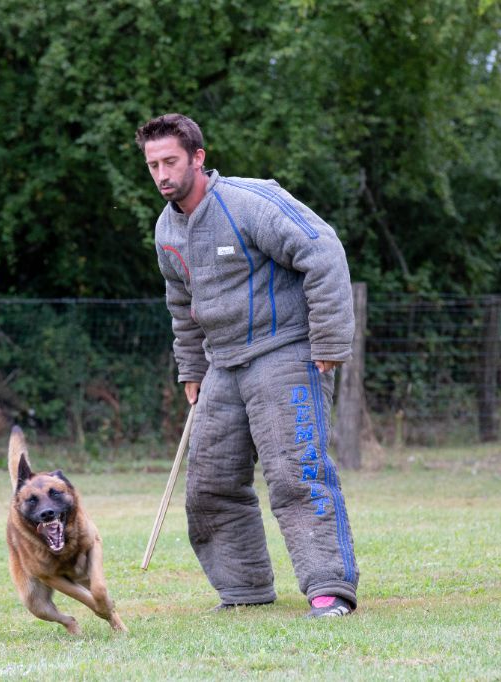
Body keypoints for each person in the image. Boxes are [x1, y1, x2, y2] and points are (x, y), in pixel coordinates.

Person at [135, 113, 359, 618]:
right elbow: (180, 305)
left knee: (295, 475)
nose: (162, 174)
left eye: (170, 161)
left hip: (285, 352)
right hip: (221, 366)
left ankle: (329, 590)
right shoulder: (166, 230)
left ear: (198, 158)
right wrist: (190, 371)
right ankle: (244, 590)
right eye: (153, 165)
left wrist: (329, 340)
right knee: (210, 485)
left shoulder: (251, 202)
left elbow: (323, 252)